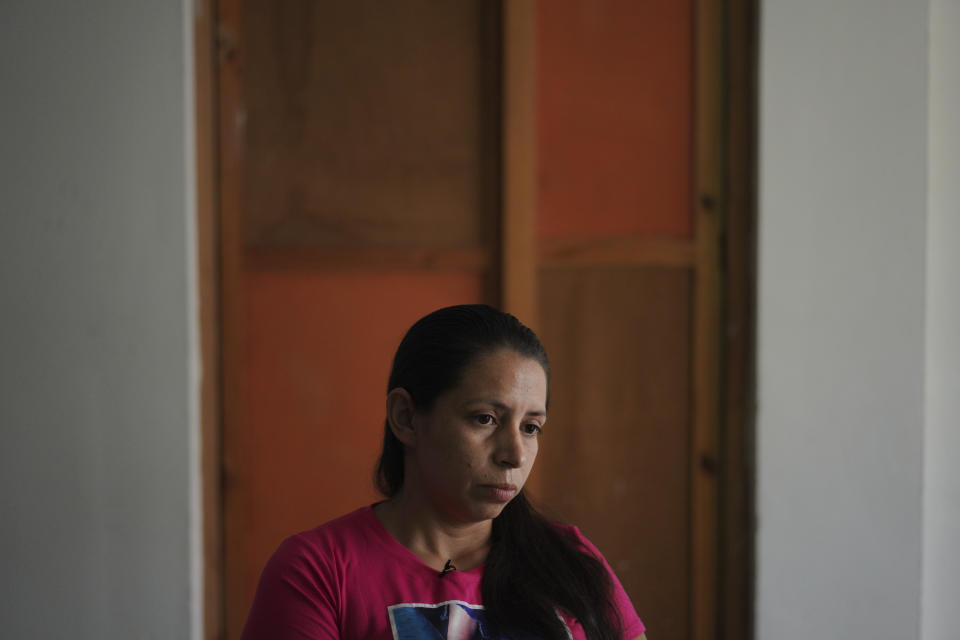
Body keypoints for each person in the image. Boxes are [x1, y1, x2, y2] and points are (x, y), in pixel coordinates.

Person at [241, 305, 647, 640]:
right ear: (406, 418)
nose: (514, 454)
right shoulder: (319, 569)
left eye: (531, 427)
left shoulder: (569, 561)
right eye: (485, 419)